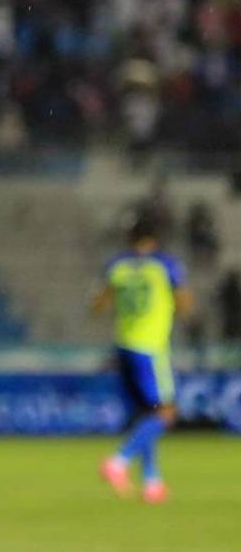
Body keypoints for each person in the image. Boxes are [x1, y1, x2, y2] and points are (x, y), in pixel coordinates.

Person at [94, 213, 192, 504]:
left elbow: (98, 304)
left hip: (123, 346)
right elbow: (185, 304)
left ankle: (152, 482)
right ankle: (118, 461)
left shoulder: (117, 266)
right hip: (150, 348)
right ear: (156, 238)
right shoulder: (164, 265)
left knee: (145, 413)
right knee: (166, 413)